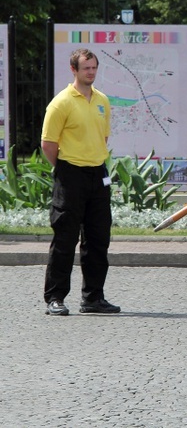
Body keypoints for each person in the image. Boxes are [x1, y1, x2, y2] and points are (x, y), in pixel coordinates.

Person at [40, 48, 120, 315]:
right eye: (86, 68)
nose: (91, 72)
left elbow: (103, 138)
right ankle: (55, 298)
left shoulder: (103, 101)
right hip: (70, 174)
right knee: (65, 238)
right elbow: (48, 144)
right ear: (73, 70)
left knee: (98, 238)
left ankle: (93, 298)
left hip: (98, 174)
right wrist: (65, 170)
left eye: (94, 67)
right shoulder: (61, 102)